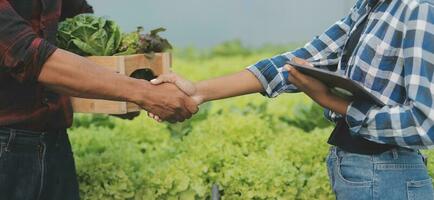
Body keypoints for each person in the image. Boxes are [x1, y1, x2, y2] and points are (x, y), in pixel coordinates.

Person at [150, 0, 434, 199]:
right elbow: (299, 61)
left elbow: (422, 123)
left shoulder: (419, 9)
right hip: (361, 169)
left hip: (388, 173)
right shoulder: (370, 6)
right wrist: (198, 91)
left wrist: (329, 99)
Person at [0, 0, 198, 199]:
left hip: (55, 143)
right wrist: (142, 92)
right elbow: (26, 53)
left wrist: (120, 85)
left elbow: (80, 18)